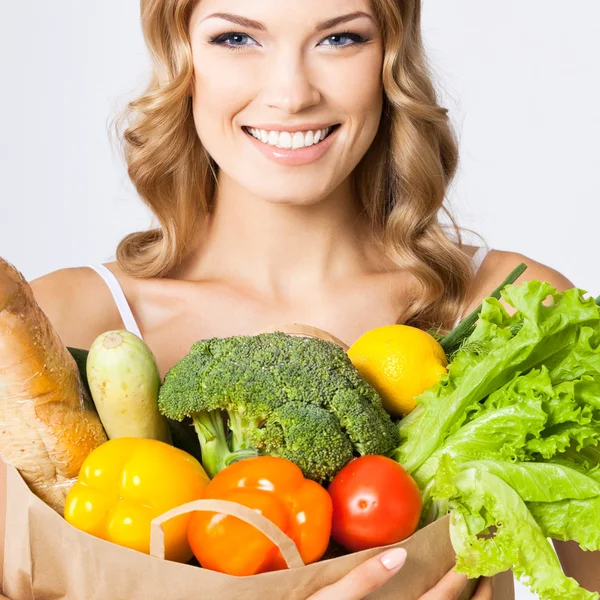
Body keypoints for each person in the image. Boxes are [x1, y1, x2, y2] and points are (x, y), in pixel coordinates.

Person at [29, 0, 599, 597]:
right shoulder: (67, 321)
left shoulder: (514, 314)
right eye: (236, 40)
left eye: (340, 39)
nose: (292, 93)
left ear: (391, 56)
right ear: (181, 55)